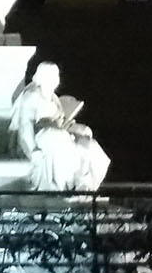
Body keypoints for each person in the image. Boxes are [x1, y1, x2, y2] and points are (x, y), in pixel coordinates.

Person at [10, 61, 109, 192]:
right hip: (44, 139)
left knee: (91, 147)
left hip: (61, 135)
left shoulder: (54, 98)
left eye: (56, 74)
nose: (54, 78)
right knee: (59, 139)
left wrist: (78, 128)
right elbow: (25, 127)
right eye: (50, 74)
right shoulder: (31, 97)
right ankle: (63, 190)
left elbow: (61, 123)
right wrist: (33, 151)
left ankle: (84, 187)